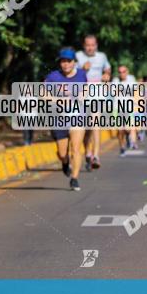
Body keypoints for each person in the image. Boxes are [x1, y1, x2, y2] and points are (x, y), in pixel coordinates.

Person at [44, 48, 87, 191]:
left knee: (76, 149)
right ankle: (65, 162)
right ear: (59, 62)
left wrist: (83, 97)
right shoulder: (53, 77)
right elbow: (43, 95)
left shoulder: (81, 75)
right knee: (62, 153)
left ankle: (74, 178)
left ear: (74, 62)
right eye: (63, 61)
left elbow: (85, 92)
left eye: (69, 61)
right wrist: (57, 100)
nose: (66, 64)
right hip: (59, 119)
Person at [75, 34, 111, 171]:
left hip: (97, 92)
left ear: (96, 45)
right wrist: (82, 70)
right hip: (82, 93)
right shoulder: (78, 56)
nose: (90, 48)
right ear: (84, 46)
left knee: (95, 123)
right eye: (87, 45)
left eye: (92, 45)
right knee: (85, 128)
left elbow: (107, 69)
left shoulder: (102, 56)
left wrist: (106, 75)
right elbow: (71, 74)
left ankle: (96, 156)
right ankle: (88, 153)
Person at [113, 65, 138, 155]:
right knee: (120, 130)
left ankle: (128, 136)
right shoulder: (115, 81)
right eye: (120, 72)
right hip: (117, 107)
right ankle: (122, 147)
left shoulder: (132, 79)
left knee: (127, 129)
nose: (122, 74)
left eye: (123, 72)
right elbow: (114, 93)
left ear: (127, 72)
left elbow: (134, 92)